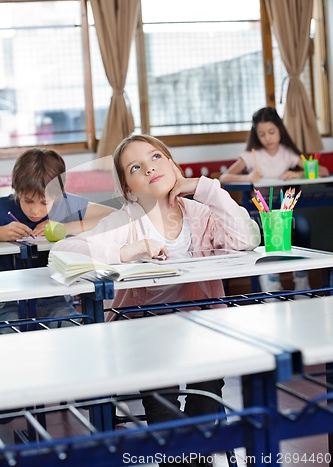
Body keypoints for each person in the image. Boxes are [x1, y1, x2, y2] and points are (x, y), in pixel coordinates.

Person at [52, 133, 261, 461]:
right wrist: (125, 250)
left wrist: (205, 189)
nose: (149, 169)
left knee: (206, 406)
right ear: (129, 188)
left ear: (174, 164)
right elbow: (64, 249)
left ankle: (198, 449)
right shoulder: (126, 220)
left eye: (156, 158)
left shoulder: (200, 213)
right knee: (165, 414)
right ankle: (179, 450)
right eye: (136, 167)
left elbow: (245, 238)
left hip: (202, 330)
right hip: (145, 335)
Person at [0, 147, 113, 331]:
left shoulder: (66, 205)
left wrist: (66, 227)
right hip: (8, 300)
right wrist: (1, 233)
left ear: (58, 195)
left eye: (45, 202)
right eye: (28, 201)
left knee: (74, 330)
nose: (35, 210)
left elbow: (113, 215)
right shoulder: (3, 207)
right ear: (17, 190)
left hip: (55, 297)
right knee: (8, 335)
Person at [219, 106, 329, 293]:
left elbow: (323, 171)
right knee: (266, 231)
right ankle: (271, 280)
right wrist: (248, 178)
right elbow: (224, 178)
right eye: (262, 134)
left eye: (271, 132)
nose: (268, 138)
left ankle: (301, 278)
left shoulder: (287, 153)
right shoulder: (251, 156)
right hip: (261, 213)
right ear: (256, 135)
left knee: (302, 227)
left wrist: (298, 173)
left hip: (285, 212)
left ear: (280, 130)